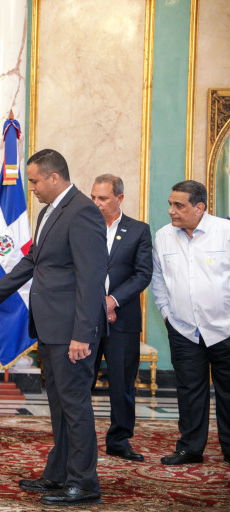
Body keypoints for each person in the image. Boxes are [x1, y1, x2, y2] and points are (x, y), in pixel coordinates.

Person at [0, 149, 107, 506]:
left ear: (54, 177)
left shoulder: (83, 211)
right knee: (59, 406)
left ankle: (84, 483)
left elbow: (91, 279)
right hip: (49, 328)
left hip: (71, 332)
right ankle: (59, 475)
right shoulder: (49, 211)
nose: (32, 188)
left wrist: (82, 334)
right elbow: (32, 261)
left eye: (34, 181)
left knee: (75, 407)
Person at [151, 180, 230, 466]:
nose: (171, 211)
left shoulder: (225, 232)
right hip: (184, 330)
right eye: (170, 204)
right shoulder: (163, 236)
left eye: (179, 205)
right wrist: (166, 314)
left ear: (199, 207)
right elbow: (158, 279)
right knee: (189, 391)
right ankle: (190, 449)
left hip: (225, 329)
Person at [89, 174, 152, 462]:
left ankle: (119, 439)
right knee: (81, 380)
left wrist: (112, 301)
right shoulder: (84, 227)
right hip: (86, 319)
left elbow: (143, 274)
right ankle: (80, 438)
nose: (96, 203)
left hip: (122, 320)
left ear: (119, 198)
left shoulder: (138, 230)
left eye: (102, 198)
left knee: (122, 382)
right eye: (93, 197)